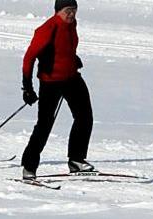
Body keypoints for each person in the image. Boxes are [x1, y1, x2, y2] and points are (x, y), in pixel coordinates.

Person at [20, 0, 93, 180]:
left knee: (84, 117)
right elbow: (29, 58)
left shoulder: (71, 25)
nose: (71, 15)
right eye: (68, 11)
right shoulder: (47, 28)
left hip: (72, 78)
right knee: (45, 125)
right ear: (58, 11)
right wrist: (27, 87)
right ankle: (29, 167)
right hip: (51, 82)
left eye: (74, 11)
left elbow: (64, 47)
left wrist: (73, 58)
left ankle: (76, 160)